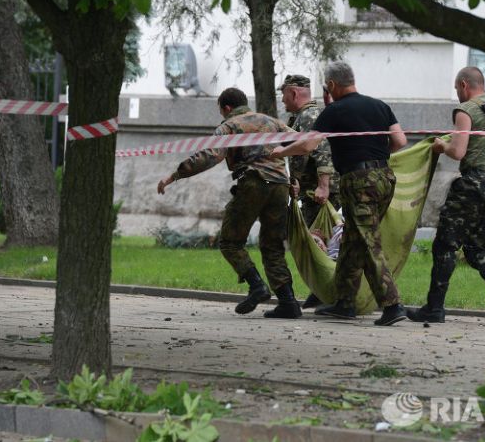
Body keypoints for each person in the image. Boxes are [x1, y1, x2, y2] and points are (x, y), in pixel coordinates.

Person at [271, 61, 408, 326]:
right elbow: (400, 142)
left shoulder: (334, 111)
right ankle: (344, 303)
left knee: (367, 240)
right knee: (353, 239)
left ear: (332, 85)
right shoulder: (380, 106)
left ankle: (392, 305)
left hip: (358, 181)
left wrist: (282, 152)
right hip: (385, 178)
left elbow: (309, 145)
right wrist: (374, 157)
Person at [157, 88, 301, 319]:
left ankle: (257, 286)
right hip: (280, 187)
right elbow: (302, 143)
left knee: (230, 242)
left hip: (253, 184)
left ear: (225, 108)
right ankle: (289, 302)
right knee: (273, 245)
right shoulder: (272, 122)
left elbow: (209, 156)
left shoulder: (230, 126)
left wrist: (174, 176)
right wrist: (295, 180)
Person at [406, 67, 485, 327]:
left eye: (456, 89)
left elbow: (458, 152)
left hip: (473, 186)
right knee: (478, 248)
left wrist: (440, 145)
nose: (457, 94)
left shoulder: (466, 110)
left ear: (463, 85)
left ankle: (435, 308)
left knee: (445, 245)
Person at [278, 74, 341, 309]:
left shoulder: (309, 115)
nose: (282, 99)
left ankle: (329, 293)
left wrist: (323, 185)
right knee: (315, 242)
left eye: (284, 94)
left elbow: (321, 148)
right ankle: (322, 291)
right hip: (310, 190)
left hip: (320, 192)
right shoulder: (301, 116)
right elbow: (302, 155)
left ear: (294, 93)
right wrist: (296, 181)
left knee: (316, 243)